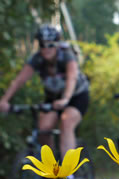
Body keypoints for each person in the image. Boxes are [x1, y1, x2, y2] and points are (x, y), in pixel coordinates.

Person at [0, 24, 90, 158]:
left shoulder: (66, 55)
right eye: (42, 45)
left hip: (76, 96)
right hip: (53, 98)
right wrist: (4, 100)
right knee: (43, 130)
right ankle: (50, 168)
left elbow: (72, 77)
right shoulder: (37, 59)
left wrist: (65, 99)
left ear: (57, 44)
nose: (46, 49)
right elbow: (19, 80)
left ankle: (68, 172)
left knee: (66, 122)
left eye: (50, 44)